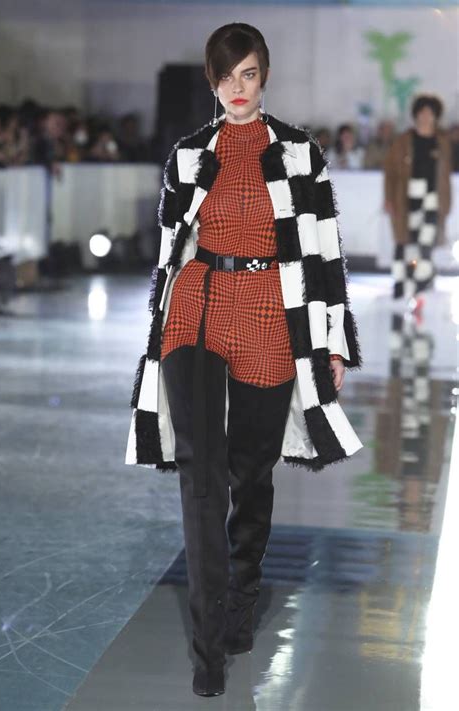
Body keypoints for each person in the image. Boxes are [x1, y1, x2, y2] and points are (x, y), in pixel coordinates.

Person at [126, 22, 362, 697]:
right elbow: (171, 248)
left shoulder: (298, 152)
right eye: (226, 76)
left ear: (264, 77)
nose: (237, 88)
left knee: (251, 469)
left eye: (248, 73)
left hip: (268, 313)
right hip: (197, 307)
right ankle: (207, 651)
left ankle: (241, 595)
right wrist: (157, 324)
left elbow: (323, 250)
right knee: (201, 475)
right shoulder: (189, 154)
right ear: (212, 81)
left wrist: (332, 339)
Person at [383, 93, 452, 312]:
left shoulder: (442, 142)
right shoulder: (404, 140)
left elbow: (445, 175)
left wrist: (446, 202)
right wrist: (389, 198)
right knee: (404, 240)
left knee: (426, 242)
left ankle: (422, 284)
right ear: (416, 115)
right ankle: (400, 283)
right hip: (406, 197)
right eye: (422, 113)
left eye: (430, 113)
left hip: (432, 198)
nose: (426, 117)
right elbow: (391, 172)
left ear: (436, 116)